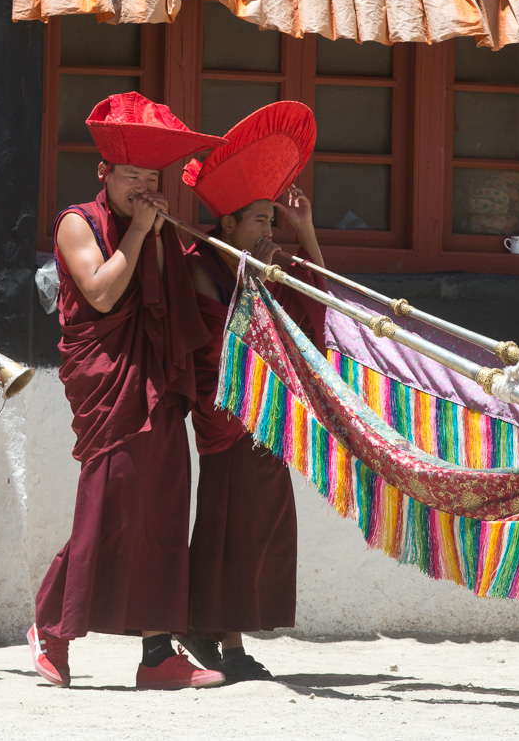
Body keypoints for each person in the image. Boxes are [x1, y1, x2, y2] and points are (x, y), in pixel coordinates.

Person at [29, 92, 227, 691]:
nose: (143, 187)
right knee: (110, 510)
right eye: (132, 177)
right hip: (110, 384)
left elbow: (174, 306)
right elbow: (103, 294)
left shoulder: (160, 230)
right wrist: (140, 231)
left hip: (157, 382)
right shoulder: (76, 222)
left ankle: (156, 654)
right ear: (104, 174)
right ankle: (53, 632)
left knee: (164, 510)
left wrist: (167, 238)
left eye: (152, 178)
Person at [175, 102, 324, 682]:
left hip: (271, 413)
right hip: (228, 412)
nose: (269, 230)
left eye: (272, 221)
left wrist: (305, 231)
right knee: (229, 525)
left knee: (263, 521)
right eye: (259, 220)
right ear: (229, 225)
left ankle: (213, 630)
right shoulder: (201, 268)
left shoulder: (260, 263)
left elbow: (315, 316)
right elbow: (218, 350)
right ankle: (229, 645)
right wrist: (251, 284)